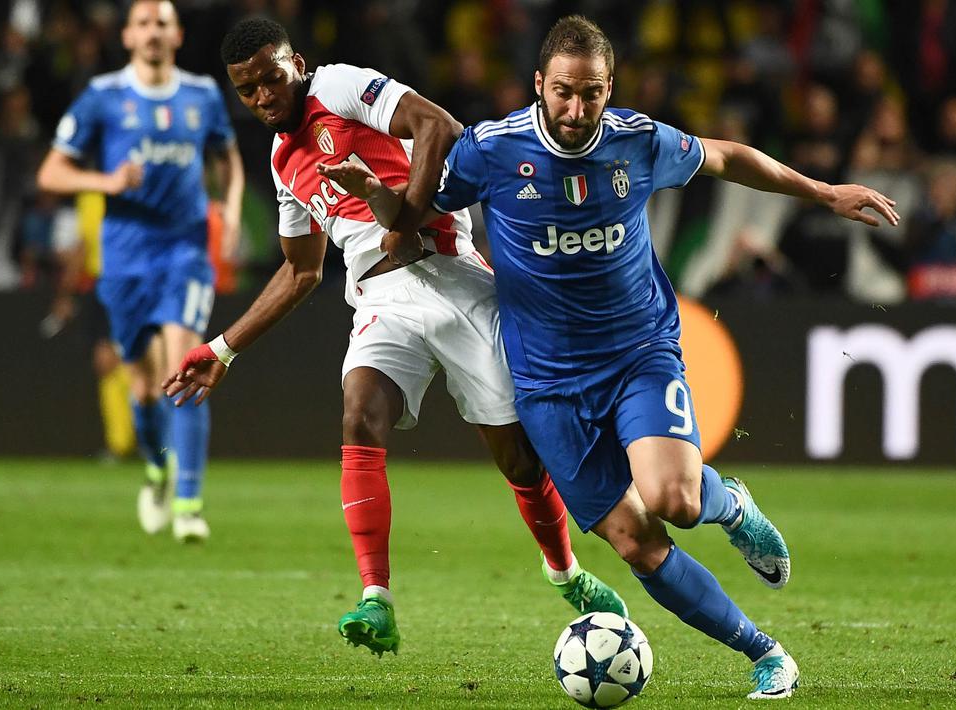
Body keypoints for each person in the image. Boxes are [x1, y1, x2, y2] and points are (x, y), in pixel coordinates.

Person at [321, 15, 899, 699]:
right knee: (633, 541)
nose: (575, 109)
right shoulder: (490, 151)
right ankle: (764, 652)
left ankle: (731, 507)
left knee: (674, 499)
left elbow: (728, 156)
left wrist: (823, 191)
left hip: (635, 355)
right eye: (563, 92)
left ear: (608, 88)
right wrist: (375, 197)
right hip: (544, 385)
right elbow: (415, 218)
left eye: (591, 93)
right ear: (539, 85)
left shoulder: (638, 140)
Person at [162, 18, 625, 657]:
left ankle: (563, 570)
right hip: (383, 303)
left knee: (519, 459)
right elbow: (301, 271)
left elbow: (440, 128)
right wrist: (222, 348)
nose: (265, 96)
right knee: (359, 416)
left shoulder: (342, 87)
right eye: (249, 90)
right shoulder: (281, 162)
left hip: (456, 278)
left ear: (296, 62)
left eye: (273, 78)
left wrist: (402, 218)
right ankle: (375, 597)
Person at [36, 0, 245, 543]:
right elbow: (52, 172)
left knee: (186, 363)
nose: (153, 32)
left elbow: (229, 159)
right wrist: (107, 183)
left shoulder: (201, 95)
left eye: (163, 23)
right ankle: (156, 472)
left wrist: (234, 211)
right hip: (125, 259)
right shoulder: (103, 97)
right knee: (146, 388)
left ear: (176, 35)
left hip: (185, 251)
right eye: (144, 23)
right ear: (128, 36)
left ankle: (190, 504)